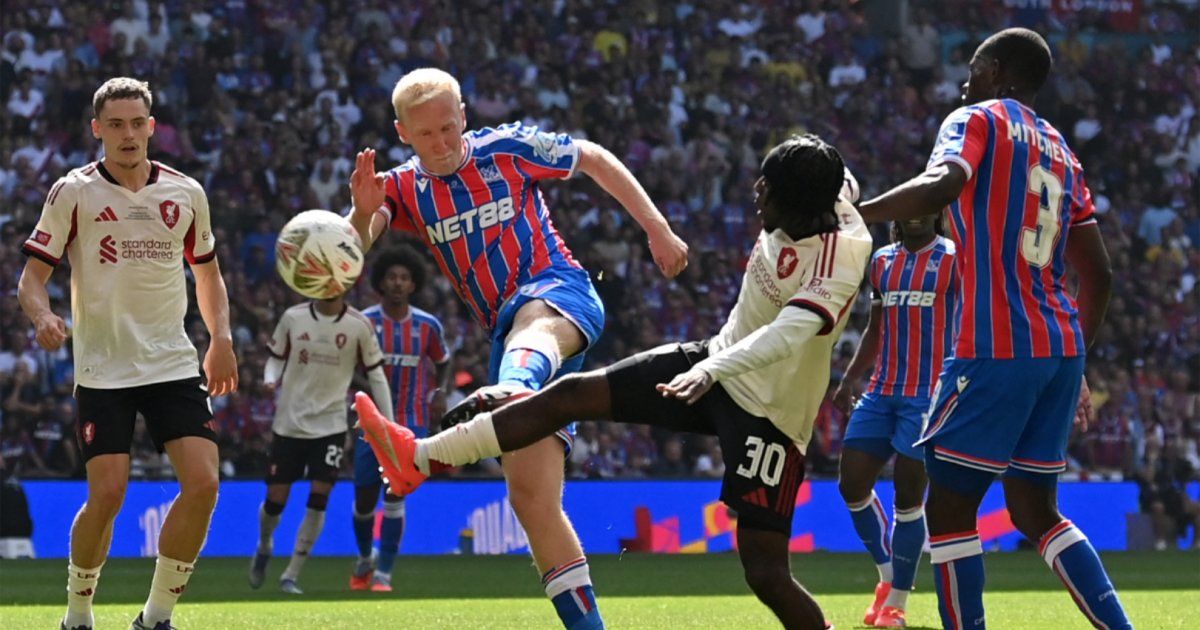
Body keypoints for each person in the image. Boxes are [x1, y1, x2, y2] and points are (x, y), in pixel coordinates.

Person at [357, 134, 871, 630]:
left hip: (771, 415)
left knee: (766, 574)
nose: (757, 195)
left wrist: (709, 370)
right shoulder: (831, 187)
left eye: (767, 191)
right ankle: (418, 458)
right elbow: (850, 185)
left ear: (800, 204)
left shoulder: (841, 260)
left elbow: (785, 335)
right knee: (570, 395)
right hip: (713, 361)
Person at [347, 67, 688, 630]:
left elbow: (593, 157)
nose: (441, 143)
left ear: (464, 115)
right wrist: (358, 214)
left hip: (559, 295)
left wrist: (656, 228)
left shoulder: (505, 149)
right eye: (426, 134)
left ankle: (488, 408)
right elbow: (348, 251)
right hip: (508, 342)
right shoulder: (402, 187)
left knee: (531, 319)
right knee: (531, 499)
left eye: (449, 128)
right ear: (402, 132)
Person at [856, 28, 1132, 629]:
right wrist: (1079, 361)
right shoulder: (1063, 150)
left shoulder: (976, 118)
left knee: (950, 513)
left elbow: (945, 183)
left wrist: (859, 212)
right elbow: (1101, 274)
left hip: (994, 346)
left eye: (975, 65)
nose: (965, 78)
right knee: (1038, 512)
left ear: (1000, 70)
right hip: (1058, 350)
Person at [17, 77, 238, 630]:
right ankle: (77, 614)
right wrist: (43, 316)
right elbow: (31, 278)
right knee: (109, 494)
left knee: (204, 483)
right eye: (115, 124)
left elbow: (207, 276)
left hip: (171, 361)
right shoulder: (74, 192)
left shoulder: (186, 193)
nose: (128, 134)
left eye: (137, 123)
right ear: (97, 130)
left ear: (151, 127)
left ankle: (156, 616)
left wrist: (222, 339)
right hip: (103, 367)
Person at [832, 214, 957, 628]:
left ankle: (897, 605)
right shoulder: (883, 261)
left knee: (908, 499)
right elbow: (876, 327)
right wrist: (851, 378)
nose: (916, 212)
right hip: (882, 391)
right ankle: (887, 576)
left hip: (928, 396)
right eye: (908, 205)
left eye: (925, 204)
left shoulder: (956, 260)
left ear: (937, 212)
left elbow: (972, 323)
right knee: (851, 484)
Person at [248, 292, 393, 595]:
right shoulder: (293, 317)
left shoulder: (359, 325)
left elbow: (376, 374)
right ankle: (264, 544)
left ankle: (291, 574)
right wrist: (270, 378)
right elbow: (275, 360)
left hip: (330, 425)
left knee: (319, 497)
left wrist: (388, 422)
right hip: (289, 424)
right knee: (276, 500)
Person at [349, 245, 451, 592]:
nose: (397, 283)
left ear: (413, 284)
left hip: (411, 422)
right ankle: (365, 557)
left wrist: (440, 391)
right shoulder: (365, 322)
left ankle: (384, 574)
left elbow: (443, 361)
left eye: (404, 278)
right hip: (370, 426)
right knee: (364, 500)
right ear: (381, 281)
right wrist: (373, 395)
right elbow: (350, 369)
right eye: (391, 277)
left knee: (395, 494)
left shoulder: (427, 326)